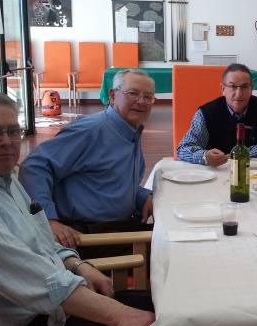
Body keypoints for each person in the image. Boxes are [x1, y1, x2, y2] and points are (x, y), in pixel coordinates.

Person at [0, 92, 173, 326]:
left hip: (53, 308)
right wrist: (120, 314)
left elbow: (39, 238)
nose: (6, 141)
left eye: (12, 131)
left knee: (170, 310)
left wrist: (76, 264)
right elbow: (31, 277)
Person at [19, 69, 155, 254]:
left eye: (148, 96)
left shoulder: (130, 130)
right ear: (112, 95)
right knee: (175, 247)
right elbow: (34, 167)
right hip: (88, 236)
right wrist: (47, 220)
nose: (141, 101)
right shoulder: (90, 130)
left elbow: (108, 179)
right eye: (133, 93)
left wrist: (142, 196)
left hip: (117, 227)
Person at [176, 63, 257, 167]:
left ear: (251, 89)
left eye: (244, 87)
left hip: (250, 169)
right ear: (223, 89)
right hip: (215, 170)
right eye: (233, 86)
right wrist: (204, 157)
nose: (239, 93)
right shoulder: (206, 113)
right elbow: (183, 149)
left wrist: (233, 156)